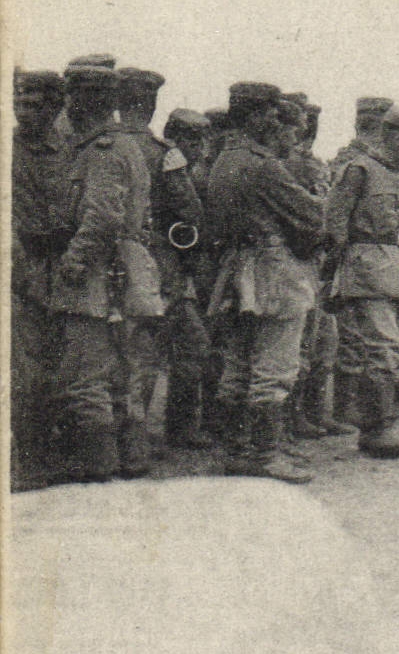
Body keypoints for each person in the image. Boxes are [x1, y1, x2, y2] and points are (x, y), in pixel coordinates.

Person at [204, 89, 324, 483]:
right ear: (253, 116)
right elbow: (310, 216)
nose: (276, 121)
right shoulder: (263, 165)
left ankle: (235, 451)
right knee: (275, 365)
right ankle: (265, 454)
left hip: (235, 271)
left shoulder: (223, 158)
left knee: (238, 363)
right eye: (270, 113)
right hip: (272, 272)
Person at [51, 61, 163, 482]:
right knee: (124, 371)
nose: (69, 103)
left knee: (87, 374)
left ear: (87, 99)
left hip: (100, 276)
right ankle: (131, 456)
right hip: (129, 271)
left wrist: (73, 263)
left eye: (73, 94)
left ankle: (97, 461)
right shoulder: (123, 147)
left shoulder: (102, 151)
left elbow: (101, 217)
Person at [324, 103, 399, 459]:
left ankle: (372, 418)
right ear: (390, 134)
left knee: (394, 349)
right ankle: (378, 428)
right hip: (367, 267)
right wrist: (332, 276)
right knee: (381, 349)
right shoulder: (359, 169)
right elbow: (335, 224)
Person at [116, 67, 203, 475]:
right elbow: (189, 212)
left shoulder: (100, 144)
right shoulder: (163, 152)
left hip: (101, 262)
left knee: (117, 351)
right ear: (150, 104)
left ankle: (118, 439)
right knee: (150, 352)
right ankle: (138, 443)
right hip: (155, 265)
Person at [11, 70, 71, 484]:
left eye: (34, 104)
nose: (23, 111)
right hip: (19, 264)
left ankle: (46, 450)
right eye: (20, 102)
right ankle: (26, 459)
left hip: (56, 265)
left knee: (54, 362)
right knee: (22, 368)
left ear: (56, 107)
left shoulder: (67, 148)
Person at [285, 96, 351, 440]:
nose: (309, 128)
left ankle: (313, 412)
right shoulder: (287, 165)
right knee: (301, 347)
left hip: (319, 265)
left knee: (325, 343)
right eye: (305, 121)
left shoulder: (316, 164)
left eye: (313, 121)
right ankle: (293, 418)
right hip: (298, 262)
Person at [162, 108, 223, 450]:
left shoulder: (194, 172)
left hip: (189, 272)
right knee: (189, 345)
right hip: (168, 269)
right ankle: (176, 428)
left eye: (202, 139)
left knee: (197, 345)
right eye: (190, 138)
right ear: (174, 136)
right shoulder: (171, 169)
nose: (198, 145)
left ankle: (182, 427)